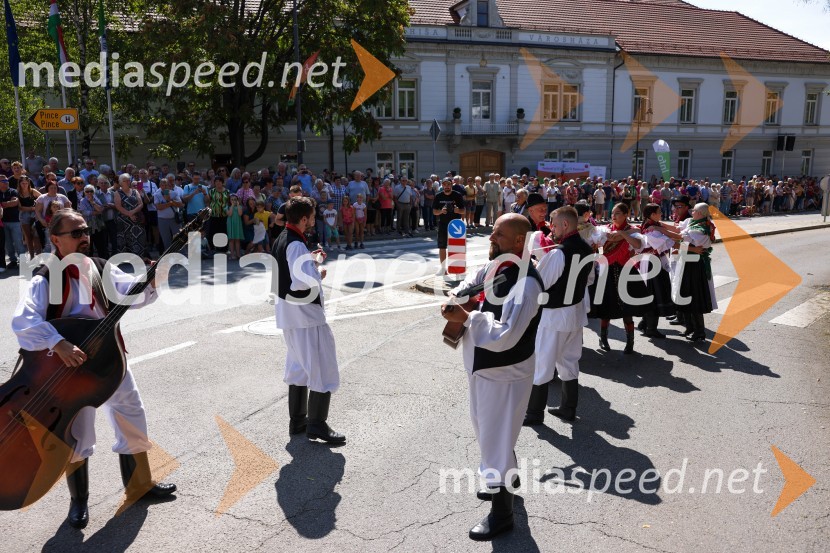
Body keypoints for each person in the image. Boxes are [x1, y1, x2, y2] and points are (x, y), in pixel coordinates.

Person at [11, 209, 175, 529]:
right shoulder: (47, 276)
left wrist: (154, 276)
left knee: (132, 412)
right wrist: (57, 343)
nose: (84, 237)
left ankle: (139, 484)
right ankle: (79, 501)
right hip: (70, 369)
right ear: (55, 239)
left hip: (109, 359)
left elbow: (132, 294)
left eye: (85, 231)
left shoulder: (100, 268)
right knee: (79, 431)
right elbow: (24, 320)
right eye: (75, 233)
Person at [441, 214, 543, 541]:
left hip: (505, 373)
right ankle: (505, 487)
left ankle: (503, 515)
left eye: (498, 234)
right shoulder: (496, 266)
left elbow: (507, 337)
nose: (490, 239)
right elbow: (472, 282)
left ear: (517, 242)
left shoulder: (526, 282)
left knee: (496, 440)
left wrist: (468, 317)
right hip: (484, 369)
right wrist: (457, 297)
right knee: (489, 434)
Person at [273, 197, 345, 444]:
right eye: (313, 216)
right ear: (304, 219)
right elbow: (302, 280)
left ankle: (298, 421)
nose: (314, 220)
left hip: (290, 314)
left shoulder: (283, 238)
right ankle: (316, 424)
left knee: (298, 368)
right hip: (305, 317)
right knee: (322, 366)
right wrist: (317, 270)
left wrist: (311, 261)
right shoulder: (295, 244)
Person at [524, 206, 594, 426]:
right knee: (569, 361)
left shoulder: (559, 253)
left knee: (543, 362)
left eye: (553, 225)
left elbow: (540, 284)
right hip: (575, 313)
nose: (551, 229)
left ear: (565, 225)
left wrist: (535, 266)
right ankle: (568, 408)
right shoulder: (587, 249)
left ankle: (534, 413)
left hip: (554, 316)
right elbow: (589, 280)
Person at [591, 203, 647, 354]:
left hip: (625, 272)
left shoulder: (631, 231)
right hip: (607, 272)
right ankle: (603, 339)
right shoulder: (606, 230)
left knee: (627, 309)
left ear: (626, 214)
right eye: (613, 214)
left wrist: (622, 234)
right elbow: (595, 242)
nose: (614, 216)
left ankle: (630, 342)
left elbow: (638, 244)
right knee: (606, 308)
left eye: (617, 213)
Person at [432, 178, 465, 273]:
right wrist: (441, 211)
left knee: (456, 247)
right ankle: (443, 268)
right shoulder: (438, 196)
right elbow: (434, 212)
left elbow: (463, 210)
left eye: (449, 184)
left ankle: (456, 268)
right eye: (445, 184)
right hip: (443, 224)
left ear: (451, 185)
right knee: (442, 246)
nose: (447, 186)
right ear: (442, 185)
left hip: (455, 225)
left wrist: (457, 210)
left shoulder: (457, 195)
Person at [113, 174, 145, 256]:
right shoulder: (117, 193)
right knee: (124, 240)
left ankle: (138, 257)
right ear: (120, 183)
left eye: (128, 180)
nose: (127, 182)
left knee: (137, 239)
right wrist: (129, 214)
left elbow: (141, 204)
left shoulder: (135, 191)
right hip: (123, 221)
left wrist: (132, 212)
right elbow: (118, 206)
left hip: (136, 220)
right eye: (125, 180)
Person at [153, 177, 183, 252]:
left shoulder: (174, 193)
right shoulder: (156, 194)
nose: (164, 187)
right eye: (162, 185)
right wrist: (170, 204)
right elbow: (158, 207)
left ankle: (181, 255)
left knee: (179, 238)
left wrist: (170, 200)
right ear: (160, 186)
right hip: (162, 220)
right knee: (166, 240)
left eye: (166, 185)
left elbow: (180, 204)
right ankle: (169, 256)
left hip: (174, 219)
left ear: (168, 185)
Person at [226, 194, 244, 259]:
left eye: (235, 199)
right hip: (231, 224)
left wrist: (238, 205)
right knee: (231, 240)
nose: (234, 201)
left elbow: (240, 214)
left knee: (237, 240)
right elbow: (230, 214)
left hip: (237, 224)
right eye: (232, 199)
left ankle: (238, 254)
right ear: (229, 200)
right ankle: (232, 254)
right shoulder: (227, 207)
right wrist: (232, 206)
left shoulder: (240, 207)